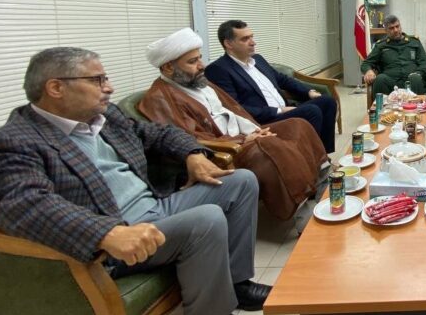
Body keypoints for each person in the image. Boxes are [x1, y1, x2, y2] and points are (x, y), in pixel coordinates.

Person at [0, 47, 273, 315]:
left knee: (241, 181)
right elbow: (24, 204)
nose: (109, 87)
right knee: (206, 219)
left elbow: (159, 133)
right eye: (98, 80)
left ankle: (237, 284)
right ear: (56, 87)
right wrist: (105, 232)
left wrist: (193, 154)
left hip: (157, 207)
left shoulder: (105, 116)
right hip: (115, 237)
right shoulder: (15, 141)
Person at [139, 28, 327, 221]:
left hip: (243, 134)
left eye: (200, 58)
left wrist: (255, 130)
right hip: (225, 149)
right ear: (168, 68)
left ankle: (320, 181)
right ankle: (301, 207)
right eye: (192, 61)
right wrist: (244, 139)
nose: (202, 66)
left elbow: (234, 109)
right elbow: (189, 140)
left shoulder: (198, 82)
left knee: (297, 125)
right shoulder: (159, 98)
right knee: (270, 146)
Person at [204, 20, 337, 153]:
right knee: (311, 111)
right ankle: (313, 158)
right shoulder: (219, 69)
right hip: (263, 120)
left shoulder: (258, 59)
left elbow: (282, 79)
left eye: (252, 37)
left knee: (328, 101)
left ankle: (324, 155)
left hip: (285, 110)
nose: (253, 42)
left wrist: (308, 92)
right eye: (245, 39)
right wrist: (278, 110)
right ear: (228, 44)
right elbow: (235, 108)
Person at [360, 15, 426, 96]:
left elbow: (424, 63)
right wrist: (368, 71)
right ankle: (381, 104)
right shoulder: (381, 45)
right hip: (390, 82)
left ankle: (419, 104)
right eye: (391, 28)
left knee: (415, 78)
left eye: (397, 26)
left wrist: (418, 73)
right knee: (380, 79)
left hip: (411, 81)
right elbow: (366, 63)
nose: (396, 30)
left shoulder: (414, 42)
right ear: (386, 30)